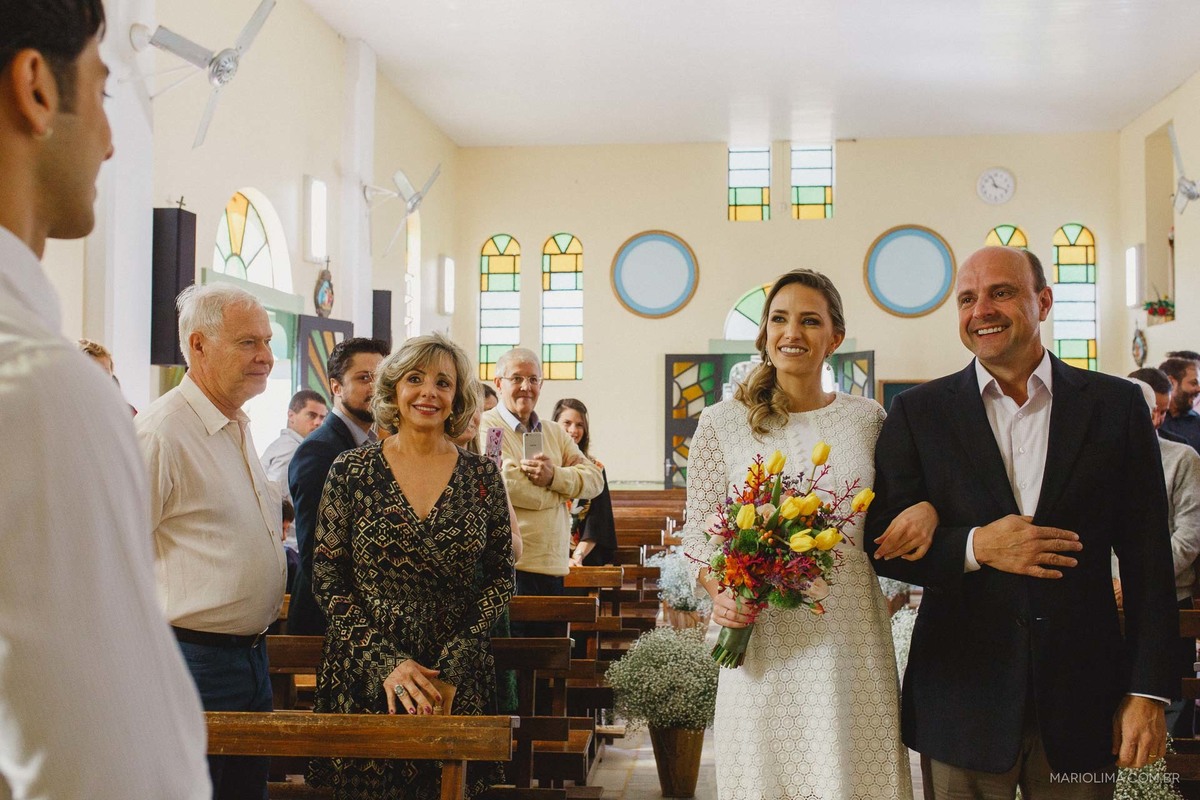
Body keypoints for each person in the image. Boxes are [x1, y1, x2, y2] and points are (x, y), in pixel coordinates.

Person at [866, 246, 1176, 797]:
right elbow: (882, 544)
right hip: (963, 696)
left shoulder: (1116, 406)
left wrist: (1148, 692)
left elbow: (1150, 559)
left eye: (1001, 292)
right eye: (967, 298)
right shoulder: (920, 413)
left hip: (1085, 696)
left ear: (1044, 300)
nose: (981, 309)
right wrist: (976, 547)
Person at [0, 2, 208, 796]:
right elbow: (110, 773)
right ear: (36, 88)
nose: (114, 142)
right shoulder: (42, 391)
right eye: (105, 91)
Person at [681, 269, 936, 800]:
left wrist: (928, 510)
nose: (791, 331)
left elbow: (897, 509)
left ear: (834, 337)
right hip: (762, 637)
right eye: (779, 319)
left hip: (848, 635)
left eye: (809, 320)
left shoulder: (869, 419)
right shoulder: (721, 423)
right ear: (765, 333)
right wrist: (720, 592)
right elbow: (698, 534)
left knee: (850, 774)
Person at [310, 332, 513, 799]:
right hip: (366, 668)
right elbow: (325, 577)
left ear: (457, 397)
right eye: (415, 379)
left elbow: (502, 575)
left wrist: (459, 655)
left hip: (454, 670)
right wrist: (387, 662)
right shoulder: (351, 470)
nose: (429, 393)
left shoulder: (481, 476)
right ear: (393, 389)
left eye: (444, 383)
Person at [136, 283, 287, 800]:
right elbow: (115, 558)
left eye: (268, 342)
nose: (266, 356)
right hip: (190, 660)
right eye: (249, 343)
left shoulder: (236, 423)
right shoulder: (162, 434)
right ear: (198, 345)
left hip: (250, 657)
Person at [481, 348, 603, 619]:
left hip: (555, 567)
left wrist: (554, 477)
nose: (526, 387)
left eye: (533, 379)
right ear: (499, 383)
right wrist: (562, 491)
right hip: (512, 566)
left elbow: (594, 479)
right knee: (516, 656)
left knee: (550, 654)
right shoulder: (490, 427)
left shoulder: (554, 431)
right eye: (517, 378)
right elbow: (506, 484)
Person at [287, 337, 390, 636]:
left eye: (382, 378)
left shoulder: (374, 443)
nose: (376, 387)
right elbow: (315, 556)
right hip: (329, 624)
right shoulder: (319, 451)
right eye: (363, 378)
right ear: (336, 387)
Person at [1121, 374, 1200, 738]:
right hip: (1103, 599)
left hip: (1167, 597)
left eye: (1156, 412)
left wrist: (1131, 579)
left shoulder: (1181, 458)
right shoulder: (1097, 458)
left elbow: (1189, 535)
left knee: (1166, 700)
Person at [552, 398, 617, 567]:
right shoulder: (544, 467)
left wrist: (577, 557)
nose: (573, 430)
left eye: (579, 425)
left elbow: (597, 521)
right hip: (546, 556)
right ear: (554, 425)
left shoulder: (595, 469)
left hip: (584, 556)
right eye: (567, 423)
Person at [260, 388, 328, 501]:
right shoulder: (291, 448)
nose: (318, 423)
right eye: (311, 415)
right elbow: (276, 500)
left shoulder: (287, 445)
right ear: (291, 416)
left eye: (322, 417)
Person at [1159, 356, 1200, 453]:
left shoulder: (1197, 423)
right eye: (1194, 383)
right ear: (1171, 382)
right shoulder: (1152, 420)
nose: (1198, 389)